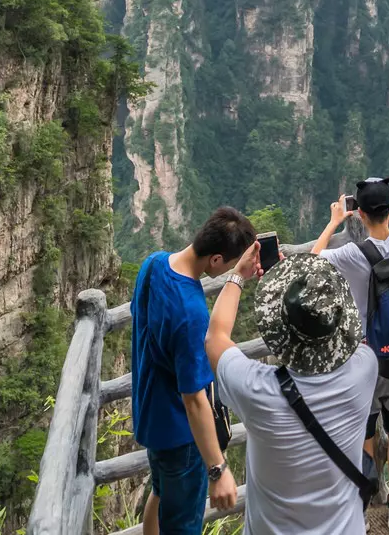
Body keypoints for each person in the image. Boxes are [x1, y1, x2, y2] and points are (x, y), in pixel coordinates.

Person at [206, 252, 377, 535]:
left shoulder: (256, 389)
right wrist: (296, 285)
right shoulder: (365, 368)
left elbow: (215, 337)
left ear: (281, 332)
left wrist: (238, 275)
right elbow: (351, 337)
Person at [131, 207, 258, 535]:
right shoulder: (191, 314)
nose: (230, 268)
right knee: (184, 526)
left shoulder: (154, 263)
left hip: (151, 418)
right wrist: (218, 469)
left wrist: (237, 274)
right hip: (181, 437)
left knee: (159, 494)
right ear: (216, 259)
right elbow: (194, 400)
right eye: (229, 263)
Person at [312, 176, 389, 529]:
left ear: (359, 213)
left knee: (364, 430)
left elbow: (314, 260)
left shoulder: (350, 253)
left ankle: (361, 504)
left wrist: (335, 222)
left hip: (364, 357)